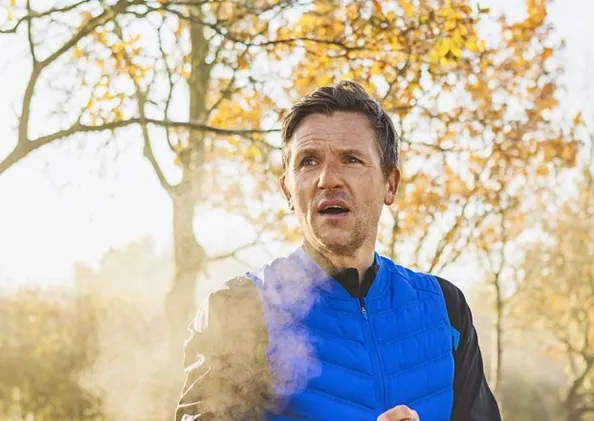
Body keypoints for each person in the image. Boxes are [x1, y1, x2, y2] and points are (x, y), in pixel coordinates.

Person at [175, 81, 501, 421]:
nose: (327, 179)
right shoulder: (238, 309)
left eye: (351, 159)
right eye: (308, 162)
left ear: (390, 184)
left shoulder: (446, 307)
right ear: (288, 191)